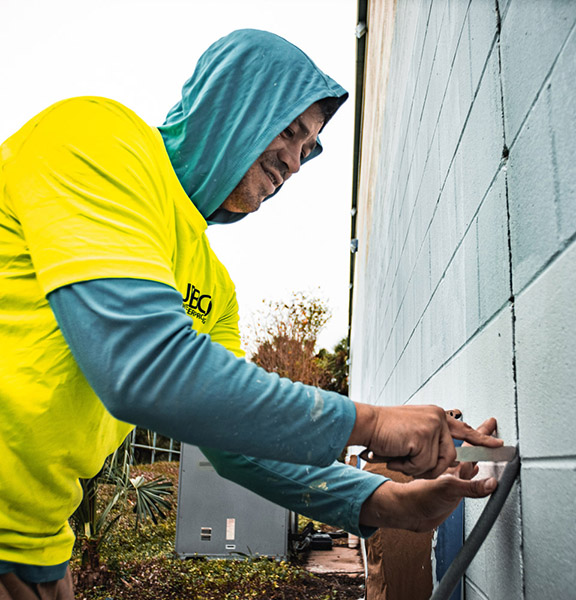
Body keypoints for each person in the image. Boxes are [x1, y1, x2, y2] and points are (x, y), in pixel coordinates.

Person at [0, 29, 503, 597]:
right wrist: (377, 422)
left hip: (36, 545)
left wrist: (388, 504)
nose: (294, 160)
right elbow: (141, 366)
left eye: (308, 148)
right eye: (289, 131)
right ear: (232, 101)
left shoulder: (213, 286)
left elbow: (237, 447)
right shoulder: (98, 138)